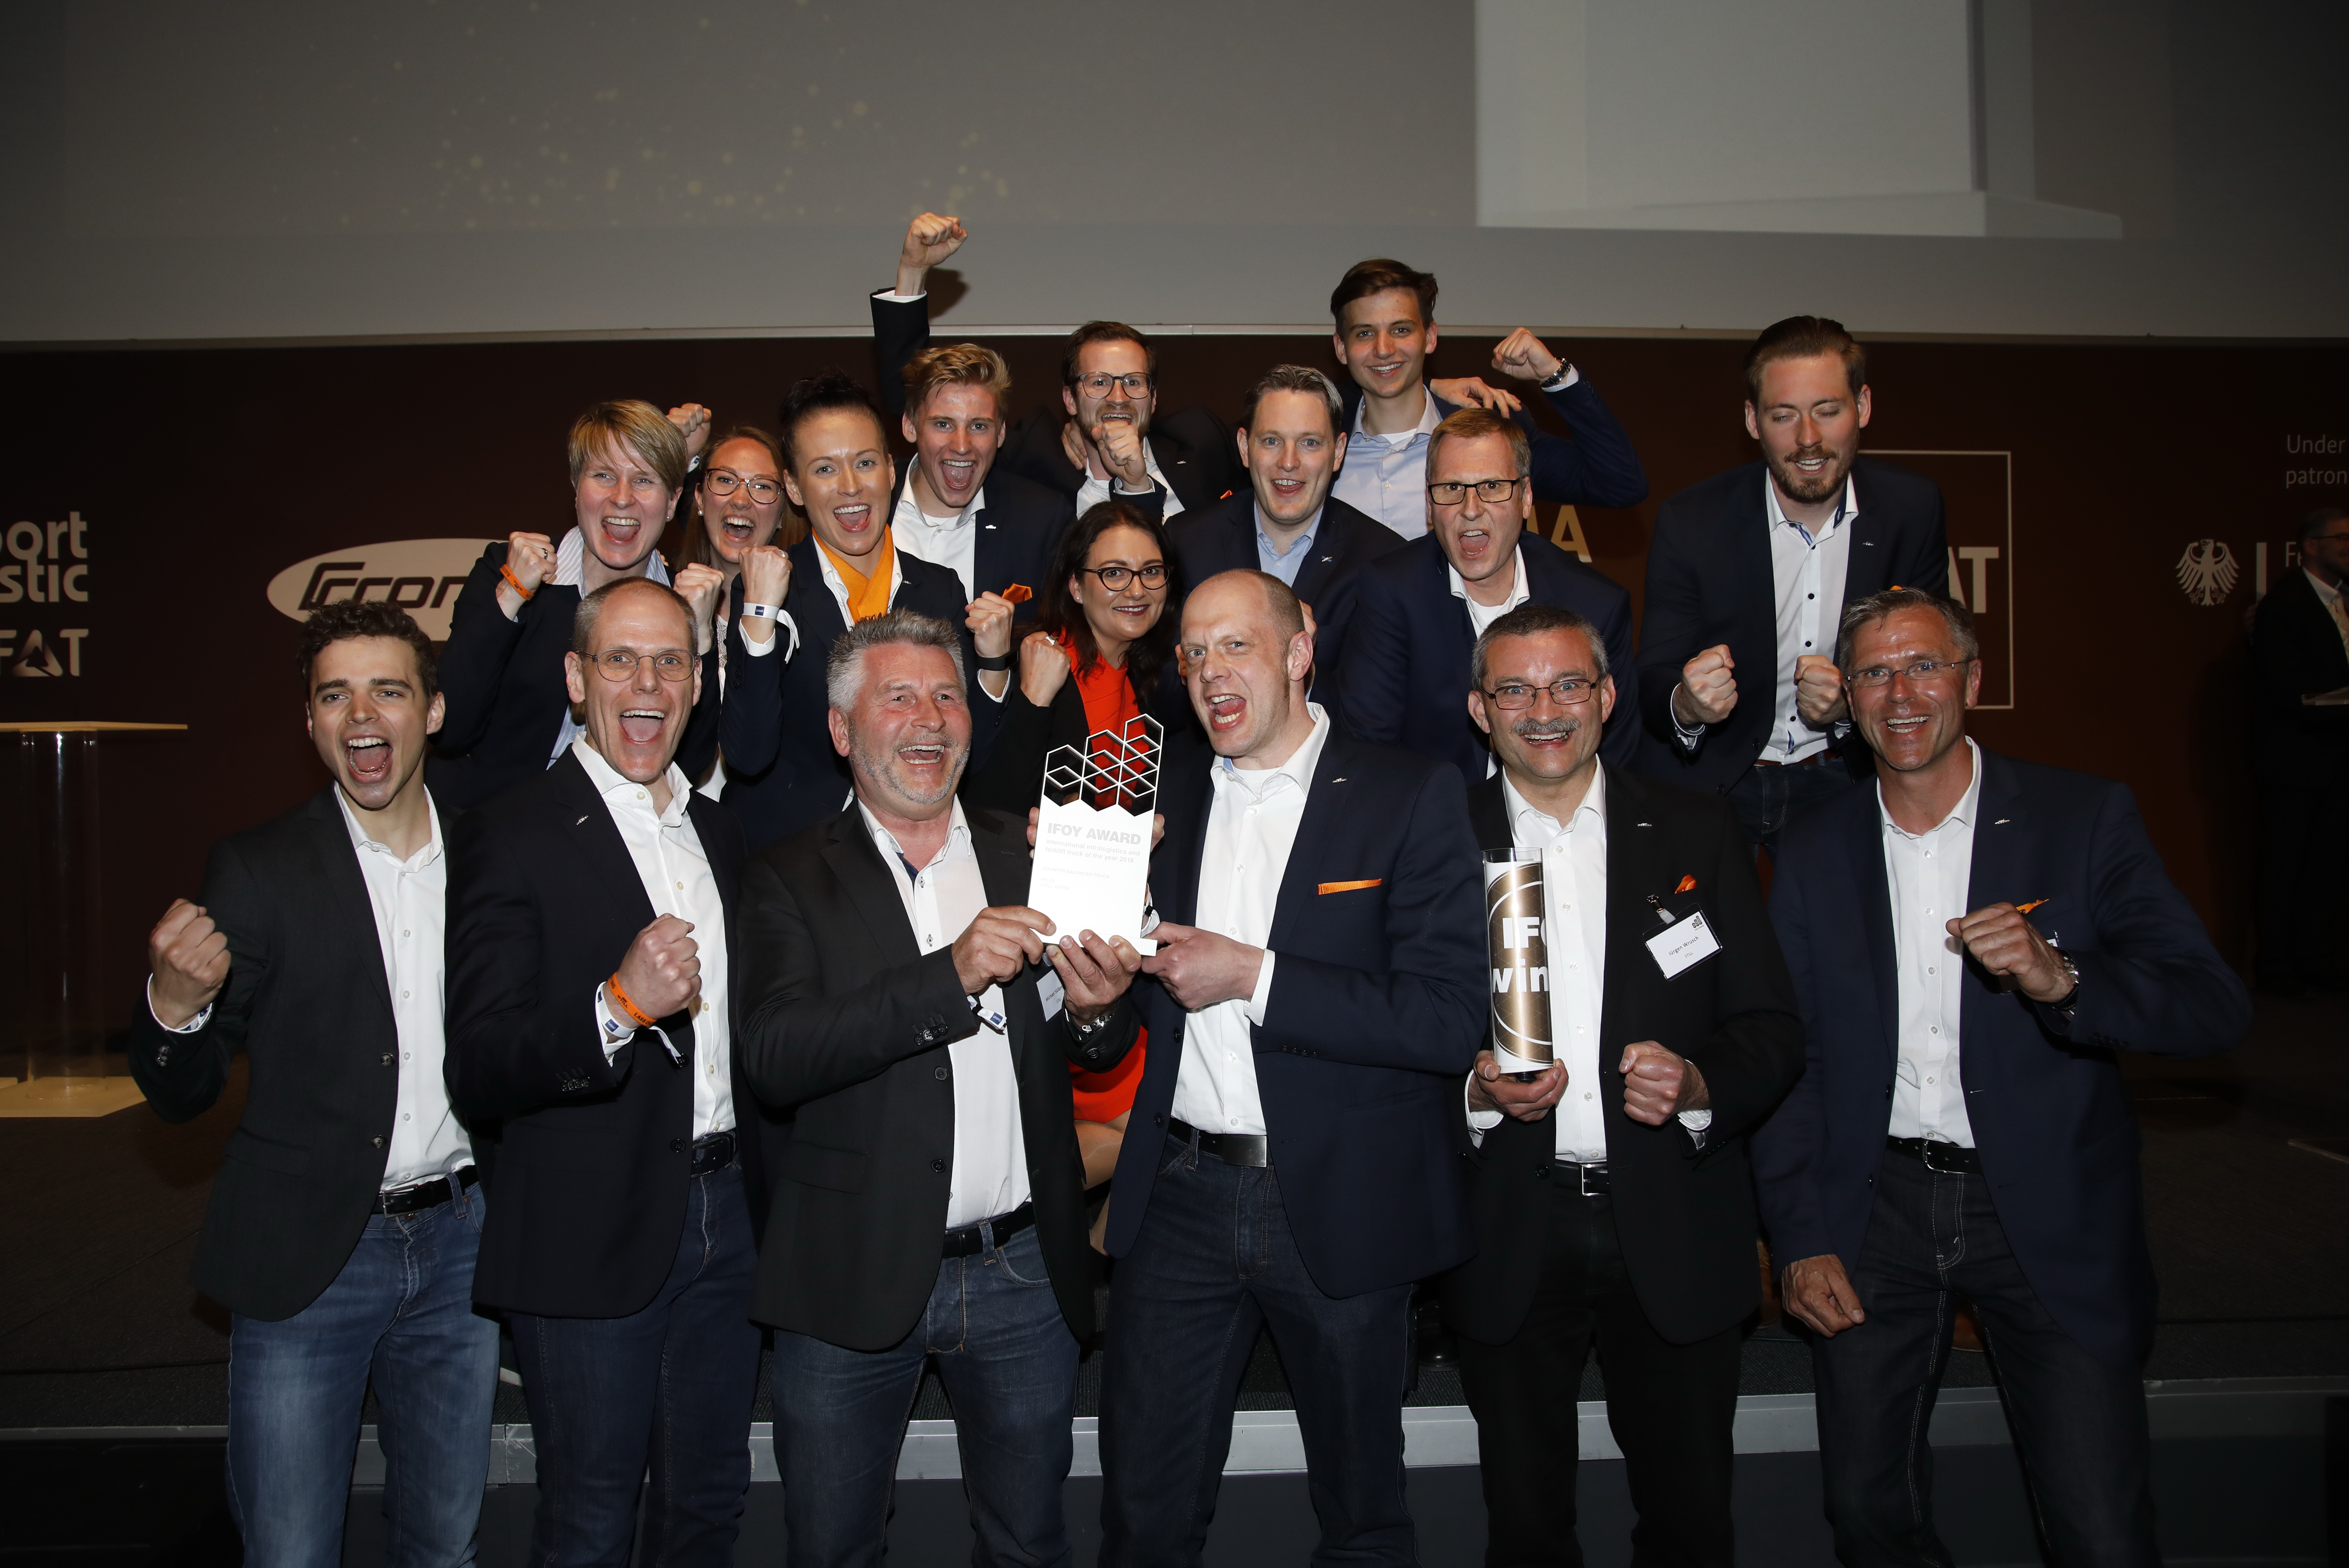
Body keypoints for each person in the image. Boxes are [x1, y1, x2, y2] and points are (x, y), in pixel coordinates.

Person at [1752, 588, 2250, 1568]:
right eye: (1874, 673)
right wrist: (1800, 1237)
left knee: (2099, 1528)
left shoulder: (2080, 817)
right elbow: (1789, 1057)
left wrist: (2063, 979)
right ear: (1847, 696)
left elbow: (2211, 1005)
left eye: (1924, 666)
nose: (1900, 694)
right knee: (1866, 1512)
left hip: (2045, 1210)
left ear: (1972, 678)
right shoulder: (1813, 846)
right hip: (1875, 1210)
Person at [736, 608, 1144, 1568]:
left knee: (1029, 1544)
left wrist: (1098, 1006)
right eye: (899, 697)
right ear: (842, 729)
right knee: (832, 1548)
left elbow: (1097, 1041)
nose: (930, 718)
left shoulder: (1031, 851)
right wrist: (948, 974)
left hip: (1021, 1271)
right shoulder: (785, 874)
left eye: (948, 695)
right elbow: (776, 1055)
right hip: (846, 1273)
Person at [1096, 569, 1486, 1567]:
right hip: (1179, 1195)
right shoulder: (1159, 793)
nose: (1211, 671)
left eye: (1236, 644)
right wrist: (1090, 977)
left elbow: (1449, 1019)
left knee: (1361, 1512)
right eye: (1194, 652)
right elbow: (1122, 1007)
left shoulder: (1408, 791)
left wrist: (1254, 975)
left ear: (1300, 650)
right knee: (1143, 1510)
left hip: (1342, 1196)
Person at [131, 599, 495, 1568]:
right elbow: (181, 1092)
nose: (361, 713)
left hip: (462, 1247)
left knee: (445, 1544)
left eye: (387, 690)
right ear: (310, 721)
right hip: (308, 1259)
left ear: (434, 711)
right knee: (289, 1549)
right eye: (335, 695)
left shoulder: (490, 854)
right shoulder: (258, 869)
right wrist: (175, 1007)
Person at [1440, 602, 1804, 1568]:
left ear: (1606, 696)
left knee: (1691, 1525)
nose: (1543, 709)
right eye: (1514, 689)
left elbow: (1771, 1028)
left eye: (1568, 684)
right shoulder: (1433, 838)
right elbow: (1389, 1039)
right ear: (1480, 709)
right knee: (1524, 1530)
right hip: (1507, 1225)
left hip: (1675, 1219)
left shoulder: (1695, 828)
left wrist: (1700, 1081)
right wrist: (1472, 1096)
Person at [443, 576, 763, 1568]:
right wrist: (616, 1006)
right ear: (577, 679)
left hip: (730, 1221)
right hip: (587, 1226)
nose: (648, 683)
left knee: (707, 1506)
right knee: (590, 1520)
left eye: (671, 660)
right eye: (620, 659)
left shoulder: (720, 831)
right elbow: (481, 1063)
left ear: (698, 682)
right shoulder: (511, 827)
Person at [1631, 316, 1948, 850]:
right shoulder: (1693, 520)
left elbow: (1932, 665)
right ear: (1752, 420)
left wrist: (1852, 701)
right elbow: (1653, 674)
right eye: (1784, 416)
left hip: (1846, 773)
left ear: (1863, 405)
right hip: (1719, 775)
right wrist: (1688, 703)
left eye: (1828, 410)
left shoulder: (1912, 510)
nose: (1808, 439)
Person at [712, 370, 1008, 849]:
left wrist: (995, 666)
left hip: (914, 852)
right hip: (790, 856)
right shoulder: (774, 588)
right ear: (794, 487)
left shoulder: (940, 591)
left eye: (865, 463)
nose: (850, 486)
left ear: (891, 471)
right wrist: (761, 612)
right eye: (825, 470)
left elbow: (972, 762)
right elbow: (748, 754)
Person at [432, 400, 727, 809]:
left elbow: (689, 764)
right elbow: (451, 727)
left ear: (673, 501)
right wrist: (511, 595)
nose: (622, 498)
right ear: (576, 487)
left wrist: (702, 636)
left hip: (619, 829)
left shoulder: (684, 601)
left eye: (644, 480)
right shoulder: (509, 572)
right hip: (492, 821)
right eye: (603, 475)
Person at [874, 213, 1243, 520]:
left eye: (1133, 382)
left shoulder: (1201, 442)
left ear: (1154, 396)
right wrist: (912, 272)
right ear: (1069, 399)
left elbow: (1273, 452)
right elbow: (921, 398)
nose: (1118, 397)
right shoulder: (1037, 455)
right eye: (1098, 382)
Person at [1341, 407, 1637, 784]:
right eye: (1452, 489)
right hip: (1436, 813)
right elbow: (1371, 750)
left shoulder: (1595, 604)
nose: (1471, 510)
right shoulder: (1391, 592)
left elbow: (1616, 762)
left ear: (1526, 497)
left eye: (1493, 487)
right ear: (1429, 504)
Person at [1326, 257, 1648, 540]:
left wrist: (1555, 374)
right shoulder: (1315, 442)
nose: (1384, 349)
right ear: (1342, 348)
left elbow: (1620, 484)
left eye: (1401, 330)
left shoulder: (1495, 434)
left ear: (1431, 337)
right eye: (1365, 333)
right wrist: (1431, 383)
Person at [1165, 364, 1404, 713]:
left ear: (1339, 452)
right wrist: (1191, 671)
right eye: (1272, 441)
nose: (1288, 463)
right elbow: (1157, 698)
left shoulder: (1383, 561)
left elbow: (1377, 714)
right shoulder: (1188, 542)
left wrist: (1305, 670)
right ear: (1245, 448)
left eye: (1310, 443)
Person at [962, 499, 1183, 813]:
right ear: (1076, 587)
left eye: (1151, 571)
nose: (1137, 591)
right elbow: (987, 811)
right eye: (1115, 573)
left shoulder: (1156, 679)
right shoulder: (1023, 660)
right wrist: (1034, 698)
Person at [2251, 504, 2349, 994]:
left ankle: (2316, 958)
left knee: (2328, 863)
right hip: (2295, 762)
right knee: (2286, 863)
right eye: (2342, 539)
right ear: (2311, 546)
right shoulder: (2286, 605)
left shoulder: (2346, 600)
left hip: (2339, 760)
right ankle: (2277, 964)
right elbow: (2284, 690)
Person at [678, 424, 796, 793]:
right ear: (699, 498)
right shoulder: (665, 603)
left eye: (762, 486)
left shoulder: (805, 619)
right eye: (725, 480)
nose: (741, 500)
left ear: (782, 512)